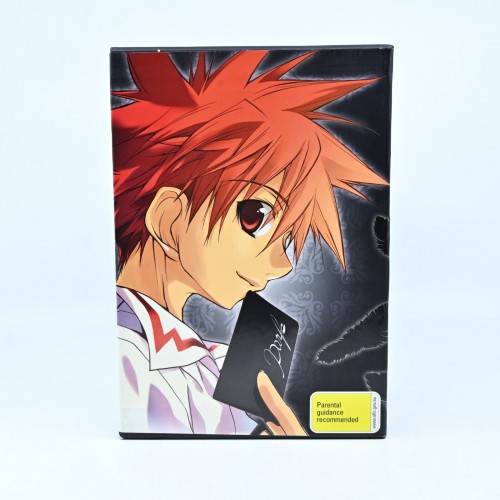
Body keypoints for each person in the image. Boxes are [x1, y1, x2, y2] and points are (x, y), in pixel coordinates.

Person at [112, 50, 387, 436]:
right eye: (254, 217)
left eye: (286, 236)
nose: (283, 265)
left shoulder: (211, 363)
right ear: (168, 219)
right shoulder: (131, 361)